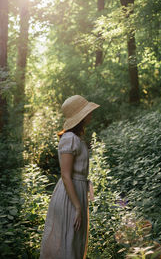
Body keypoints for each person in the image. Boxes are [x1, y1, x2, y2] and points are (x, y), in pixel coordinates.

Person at [40, 95, 100, 259]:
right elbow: (65, 176)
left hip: (77, 191)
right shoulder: (69, 139)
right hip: (69, 195)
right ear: (80, 116)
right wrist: (77, 206)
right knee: (67, 242)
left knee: (74, 242)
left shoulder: (76, 138)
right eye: (88, 111)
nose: (91, 114)